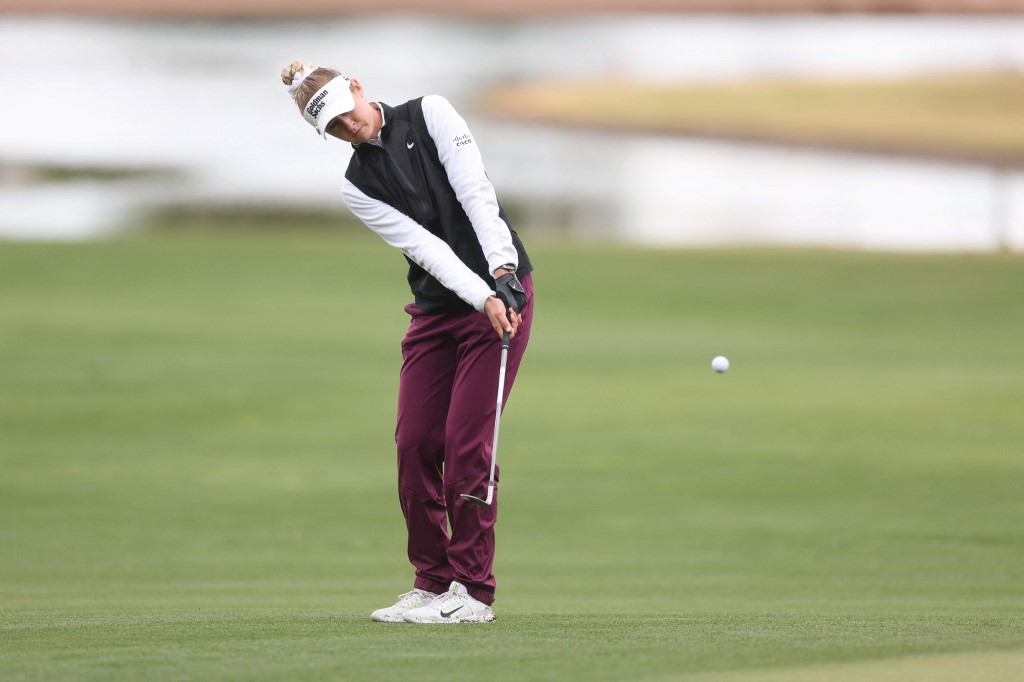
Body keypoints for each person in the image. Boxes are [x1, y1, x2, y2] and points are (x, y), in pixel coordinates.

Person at [281, 61, 534, 624]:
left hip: (502, 300)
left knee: (467, 447)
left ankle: (472, 592)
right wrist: (480, 294)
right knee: (414, 443)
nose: (350, 128)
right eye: (335, 130)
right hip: (441, 308)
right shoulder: (357, 186)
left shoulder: (432, 113)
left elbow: (475, 192)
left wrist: (503, 273)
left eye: (348, 115)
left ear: (358, 89)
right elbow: (428, 250)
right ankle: (432, 580)